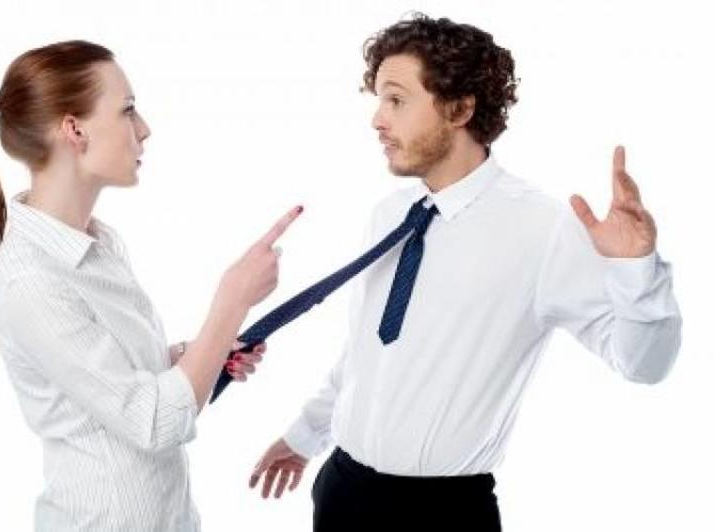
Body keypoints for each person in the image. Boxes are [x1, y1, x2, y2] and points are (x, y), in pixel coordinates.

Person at [248, 13, 682, 531]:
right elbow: (367, 353)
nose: (377, 120)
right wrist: (305, 436)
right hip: (342, 491)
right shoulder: (390, 215)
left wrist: (636, 270)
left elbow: (644, 365)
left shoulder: (542, 229)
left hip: (444, 514)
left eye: (396, 100)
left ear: (459, 108)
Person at [0, 40, 302, 531]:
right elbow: (154, 421)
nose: (143, 128)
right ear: (74, 129)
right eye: (127, 110)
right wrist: (232, 301)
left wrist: (198, 353)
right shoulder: (29, 280)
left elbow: (113, 382)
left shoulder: (98, 243)